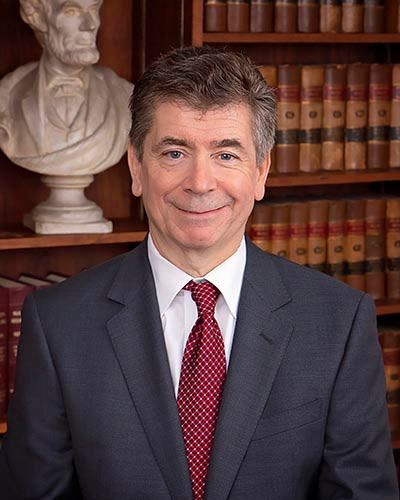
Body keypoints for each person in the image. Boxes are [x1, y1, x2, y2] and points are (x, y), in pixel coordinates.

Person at [1, 46, 398, 499]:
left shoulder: (338, 323)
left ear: (261, 171)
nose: (200, 182)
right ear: (136, 166)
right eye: (174, 152)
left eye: (226, 155)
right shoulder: (57, 323)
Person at [0, 0, 132, 176]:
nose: (90, 25)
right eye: (72, 11)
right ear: (39, 18)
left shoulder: (125, 96)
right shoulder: (7, 97)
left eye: (93, 10)